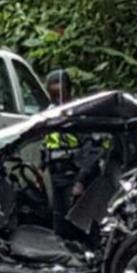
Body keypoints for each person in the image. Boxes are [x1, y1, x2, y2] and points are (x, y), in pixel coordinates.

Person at [41, 69, 107, 239]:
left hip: (75, 176)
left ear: (68, 91)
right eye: (52, 94)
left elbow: (93, 150)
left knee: (79, 225)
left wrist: (81, 181)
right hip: (57, 176)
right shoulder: (49, 114)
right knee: (60, 224)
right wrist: (41, 169)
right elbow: (46, 143)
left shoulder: (79, 115)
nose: (56, 99)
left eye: (59, 94)